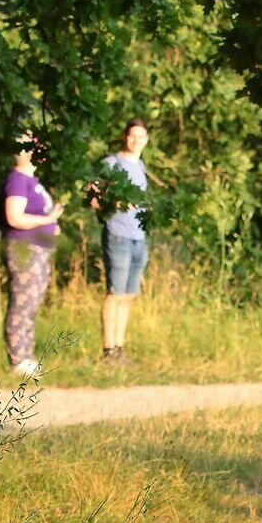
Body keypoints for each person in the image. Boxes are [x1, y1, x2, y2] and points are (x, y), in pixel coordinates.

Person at [1, 133, 64, 377]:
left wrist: (51, 226)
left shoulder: (32, 180)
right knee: (23, 302)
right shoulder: (18, 179)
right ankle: (18, 359)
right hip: (24, 249)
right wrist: (48, 220)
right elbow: (14, 217)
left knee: (32, 302)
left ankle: (26, 356)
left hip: (40, 248)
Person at [95, 119, 150, 365]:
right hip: (118, 234)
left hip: (139, 237)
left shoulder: (140, 165)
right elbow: (92, 197)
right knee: (115, 293)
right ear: (125, 137)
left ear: (146, 140)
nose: (136, 141)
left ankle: (119, 348)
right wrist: (115, 203)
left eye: (141, 136)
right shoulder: (110, 163)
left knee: (128, 295)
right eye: (132, 135)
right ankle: (108, 350)